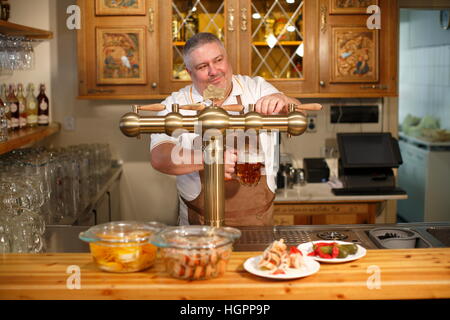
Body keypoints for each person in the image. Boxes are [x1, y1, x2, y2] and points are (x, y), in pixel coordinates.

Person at [150, 32, 320, 226]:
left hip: (258, 223)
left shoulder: (256, 88)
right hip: (199, 227)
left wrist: (284, 101)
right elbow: (160, 157)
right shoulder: (176, 104)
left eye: (218, 60)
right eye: (203, 66)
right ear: (189, 72)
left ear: (227, 59)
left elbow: (300, 117)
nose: (214, 71)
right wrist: (209, 160)